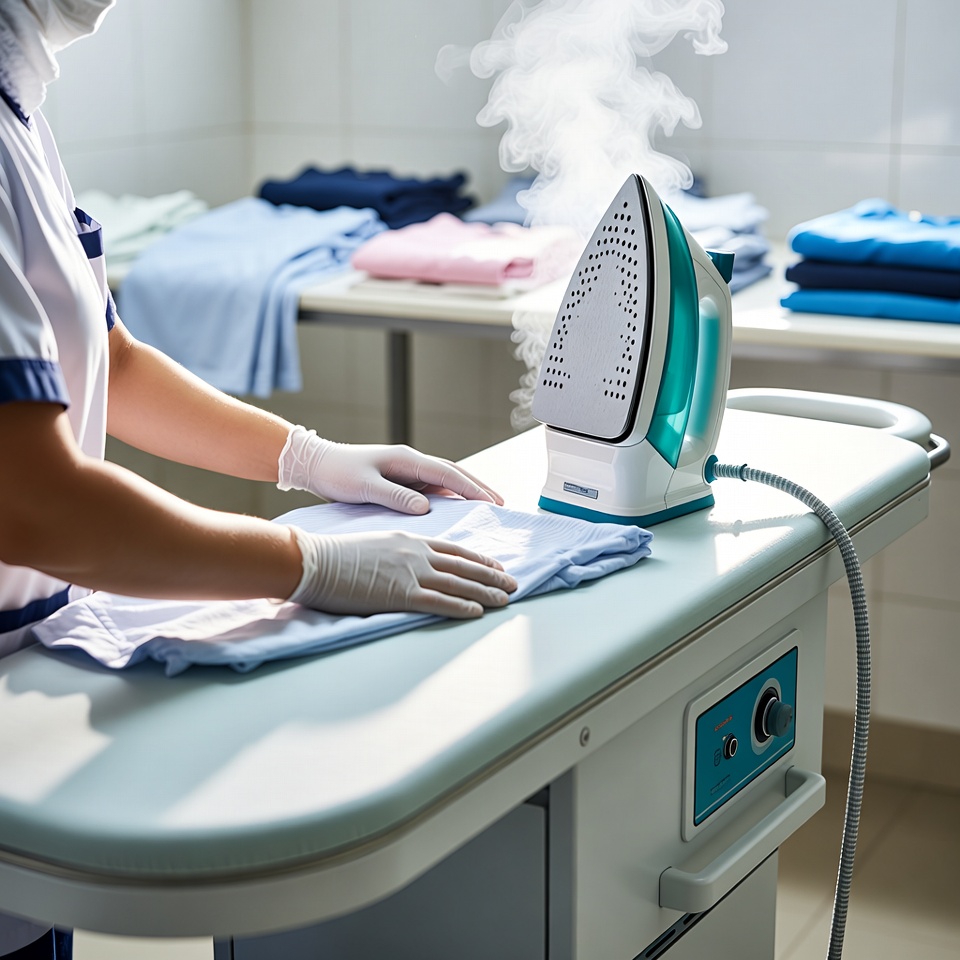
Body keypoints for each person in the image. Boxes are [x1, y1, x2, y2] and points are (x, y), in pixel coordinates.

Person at [0, 2, 517, 956]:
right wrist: (308, 562)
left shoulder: (19, 111)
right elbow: (35, 505)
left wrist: (306, 458)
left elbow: (112, 357)